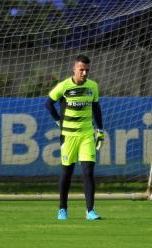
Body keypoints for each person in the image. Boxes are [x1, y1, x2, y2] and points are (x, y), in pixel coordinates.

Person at [45, 55, 104, 220]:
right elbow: (48, 103)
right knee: (67, 173)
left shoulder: (93, 87)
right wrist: (58, 121)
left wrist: (100, 130)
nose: (84, 73)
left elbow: (96, 108)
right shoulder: (63, 86)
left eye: (87, 70)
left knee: (88, 172)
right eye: (81, 70)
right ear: (74, 69)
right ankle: (62, 209)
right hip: (68, 136)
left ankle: (90, 211)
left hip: (87, 135)